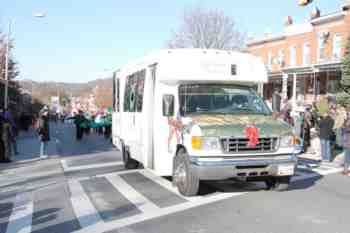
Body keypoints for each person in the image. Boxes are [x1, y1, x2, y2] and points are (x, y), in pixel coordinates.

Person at [342, 111, 350, 176]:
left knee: (347, 157)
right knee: (346, 157)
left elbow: (346, 129)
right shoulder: (346, 121)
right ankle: (345, 170)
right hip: (347, 142)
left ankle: (345, 170)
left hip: (348, 143)